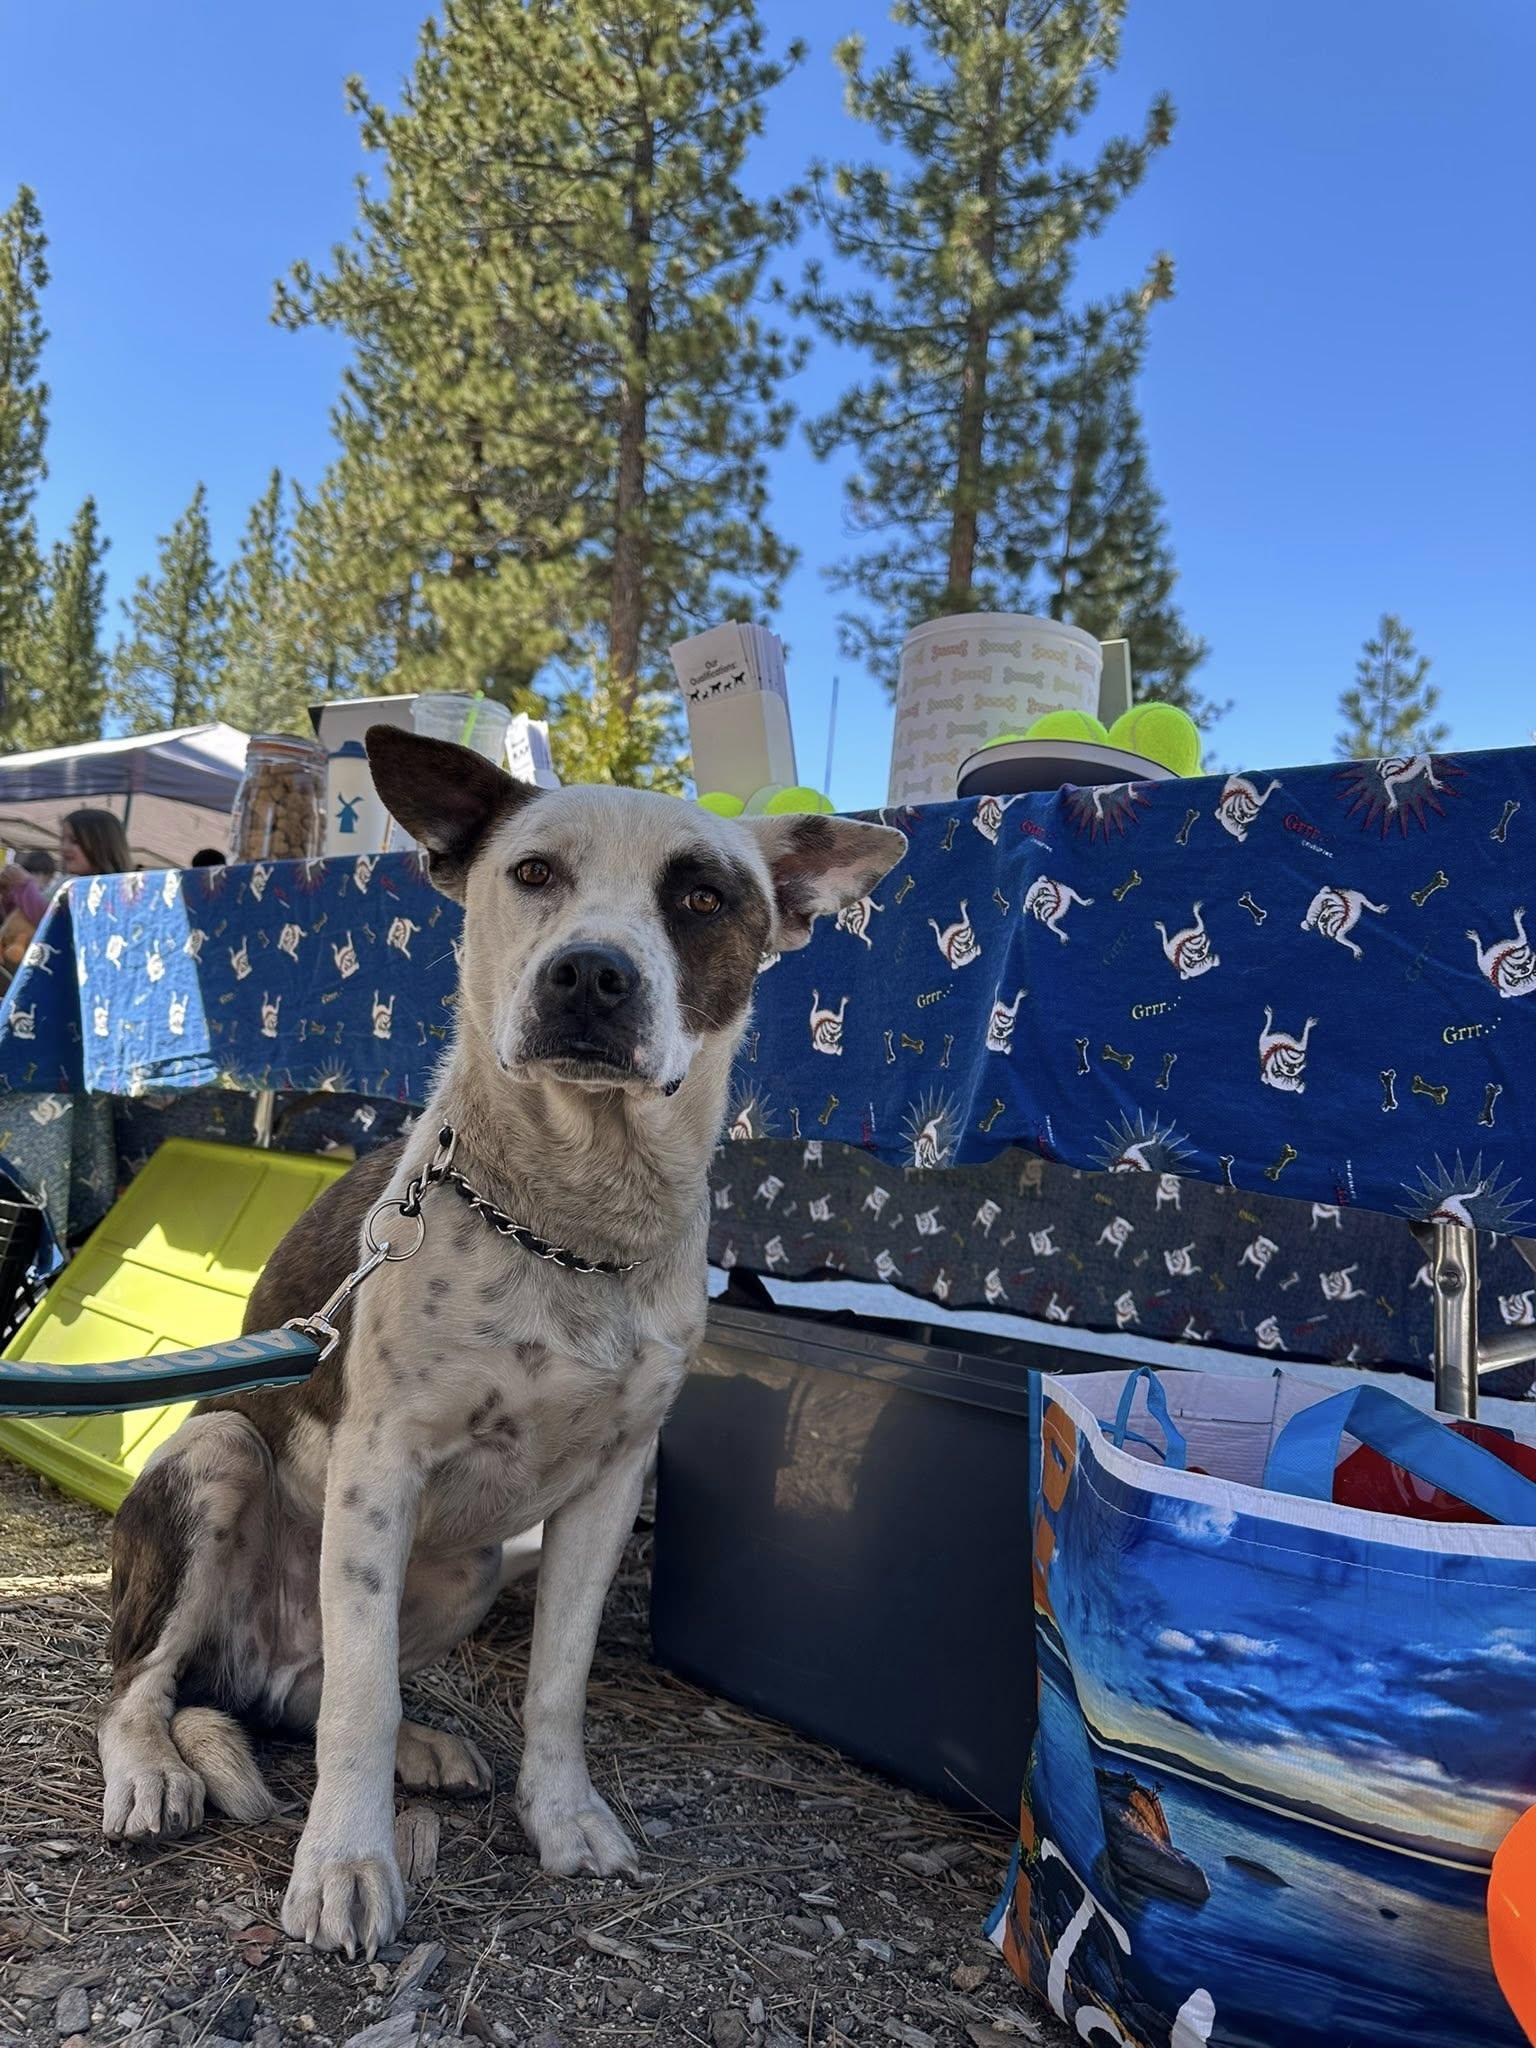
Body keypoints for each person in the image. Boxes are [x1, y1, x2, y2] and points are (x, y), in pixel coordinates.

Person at [0, 807, 133, 928]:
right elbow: (26, 920)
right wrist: (10, 894)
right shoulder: (66, 883)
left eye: (74, 841)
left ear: (101, 845)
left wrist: (25, 884)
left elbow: (50, 923)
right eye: (62, 840)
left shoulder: (108, 894)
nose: (64, 847)